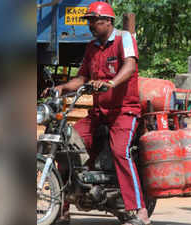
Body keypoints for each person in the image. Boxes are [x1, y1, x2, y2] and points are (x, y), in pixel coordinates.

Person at [42, 2, 150, 225]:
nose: (90, 25)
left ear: (108, 21)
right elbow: (82, 78)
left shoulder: (124, 38)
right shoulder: (92, 47)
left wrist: (110, 83)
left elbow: (129, 67)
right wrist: (61, 88)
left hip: (124, 111)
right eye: (89, 21)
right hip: (98, 113)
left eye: (94, 21)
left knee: (121, 153)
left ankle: (140, 211)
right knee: (67, 145)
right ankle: (62, 209)